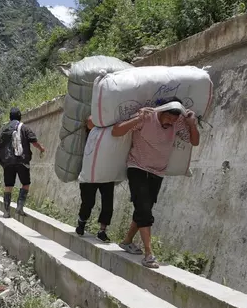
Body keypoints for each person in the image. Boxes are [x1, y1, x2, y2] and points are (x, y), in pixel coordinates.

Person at [111, 97, 200, 269]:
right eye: (168, 118)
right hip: (137, 166)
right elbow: (116, 131)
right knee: (144, 208)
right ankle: (148, 253)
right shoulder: (147, 116)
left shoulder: (179, 122)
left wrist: (192, 124)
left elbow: (194, 142)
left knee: (145, 208)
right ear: (161, 111)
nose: (171, 122)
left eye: (174, 119)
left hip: (157, 171)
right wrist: (137, 119)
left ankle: (127, 241)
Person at [0, 107, 46, 218]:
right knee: (25, 183)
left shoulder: (5, 130)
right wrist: (41, 148)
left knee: (8, 185)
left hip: (8, 162)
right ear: (19, 116)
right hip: (22, 161)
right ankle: (19, 207)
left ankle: (6, 211)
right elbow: (33, 141)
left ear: (10, 117)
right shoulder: (23, 127)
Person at [76, 116, 114, 242]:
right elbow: (90, 121)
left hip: (106, 171)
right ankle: (81, 221)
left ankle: (102, 231)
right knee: (88, 202)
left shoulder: (111, 128)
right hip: (89, 172)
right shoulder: (92, 127)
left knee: (108, 204)